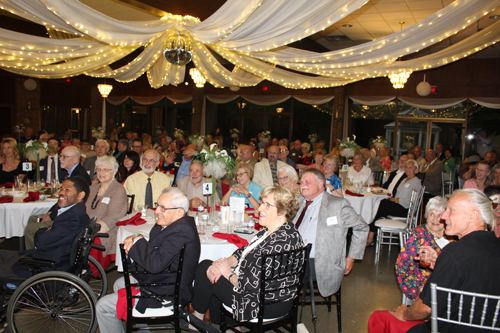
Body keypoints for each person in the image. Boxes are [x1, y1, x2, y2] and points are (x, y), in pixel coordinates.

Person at [368, 189, 500, 333]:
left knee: (379, 318)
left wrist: (405, 314)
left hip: (450, 328)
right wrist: (440, 265)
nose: (444, 216)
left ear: (473, 216)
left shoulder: (455, 252)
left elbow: (425, 307)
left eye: (451, 210)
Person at [191, 185, 304, 325]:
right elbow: (243, 251)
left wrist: (228, 273)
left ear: (282, 212)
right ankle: (229, 325)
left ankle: (197, 320)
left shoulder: (277, 244)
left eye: (267, 205)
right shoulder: (283, 231)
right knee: (213, 269)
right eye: (262, 202)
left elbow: (247, 286)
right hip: (278, 300)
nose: (260, 208)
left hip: (261, 305)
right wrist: (224, 262)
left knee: (204, 269)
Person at [96, 187, 201, 333]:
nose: (156, 211)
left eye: (162, 208)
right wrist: (136, 237)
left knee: (102, 306)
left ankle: (138, 322)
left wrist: (137, 239)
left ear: (179, 212)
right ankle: (141, 328)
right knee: (119, 283)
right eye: (157, 205)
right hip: (164, 278)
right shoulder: (175, 224)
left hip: (167, 291)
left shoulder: (181, 230)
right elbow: (154, 247)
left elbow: (155, 264)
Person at [294, 168, 368, 299]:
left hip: (320, 261)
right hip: (295, 255)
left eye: (307, 181)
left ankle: (287, 304)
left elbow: (361, 227)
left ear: (320, 184)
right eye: (301, 181)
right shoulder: (299, 200)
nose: (303, 184)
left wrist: (351, 257)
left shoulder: (337, 205)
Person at [0, 176, 89, 279]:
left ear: (80, 195)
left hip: (45, 266)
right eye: (62, 189)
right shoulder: (76, 212)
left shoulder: (72, 218)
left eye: (67, 190)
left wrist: (42, 231)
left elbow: (41, 242)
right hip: (47, 257)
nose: (62, 192)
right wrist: (48, 230)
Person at [395, 196, 450, 302]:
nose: (435, 219)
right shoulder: (419, 235)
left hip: (446, 277)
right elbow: (403, 263)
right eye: (432, 214)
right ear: (426, 216)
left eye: (439, 216)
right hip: (421, 279)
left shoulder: (451, 234)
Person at [367, 159, 422, 246]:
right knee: (378, 204)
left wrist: (395, 200)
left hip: (405, 208)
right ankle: (371, 235)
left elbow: (410, 201)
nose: (408, 169)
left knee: (380, 205)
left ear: (416, 169)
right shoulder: (404, 180)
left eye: (410, 168)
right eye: (406, 167)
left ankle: (370, 235)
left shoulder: (416, 181)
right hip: (398, 206)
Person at [86, 156, 127, 264]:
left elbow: (114, 217)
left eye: (105, 170)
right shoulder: (92, 188)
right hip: (86, 227)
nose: (101, 173)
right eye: (99, 169)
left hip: (106, 231)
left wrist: (89, 230)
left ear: (114, 172)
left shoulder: (118, 190)